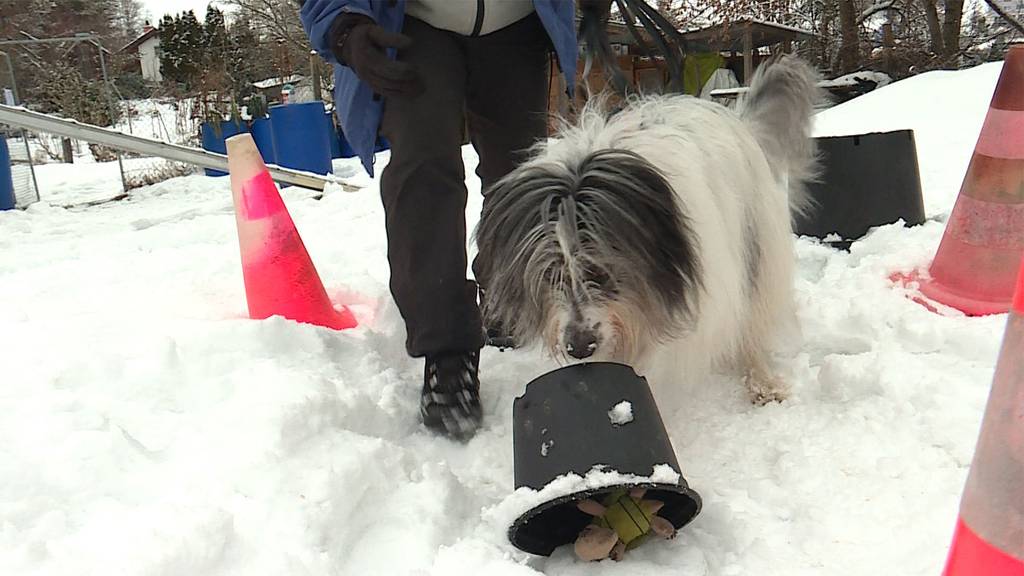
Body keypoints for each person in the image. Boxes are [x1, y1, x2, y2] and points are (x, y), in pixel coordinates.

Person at [300, 0, 610, 439]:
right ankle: (446, 348)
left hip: (518, 23)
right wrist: (342, 24)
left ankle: (507, 294)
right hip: (410, 23)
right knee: (423, 170)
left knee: (518, 174)